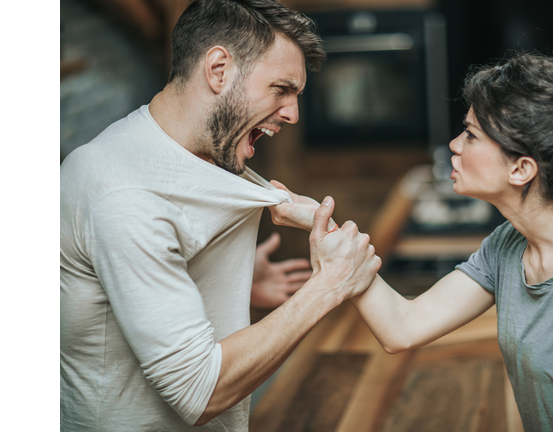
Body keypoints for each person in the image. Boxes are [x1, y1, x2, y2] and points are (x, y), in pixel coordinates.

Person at [59, 0, 380, 430]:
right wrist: (327, 287)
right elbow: (199, 392)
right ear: (218, 70)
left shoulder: (190, 150)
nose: (292, 114)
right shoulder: (123, 195)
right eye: (280, 89)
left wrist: (231, 281)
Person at [351, 53, 553, 431]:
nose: (455, 145)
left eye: (471, 135)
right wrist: (330, 236)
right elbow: (403, 327)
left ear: (521, 169)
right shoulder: (509, 245)